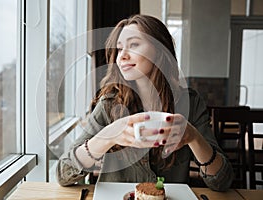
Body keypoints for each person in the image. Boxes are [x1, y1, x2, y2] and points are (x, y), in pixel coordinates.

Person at [56, 14, 234, 191]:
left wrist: (193, 137)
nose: (122, 56)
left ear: (160, 49)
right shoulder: (109, 104)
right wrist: (108, 136)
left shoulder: (190, 103)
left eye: (133, 45)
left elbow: (222, 182)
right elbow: (63, 174)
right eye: (119, 49)